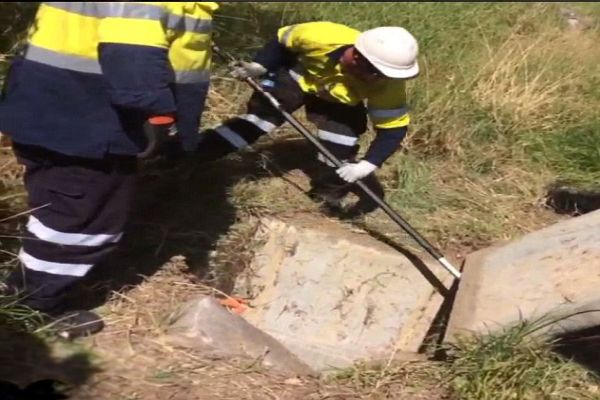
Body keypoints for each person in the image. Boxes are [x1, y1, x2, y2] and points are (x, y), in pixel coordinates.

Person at [0, 2, 219, 338]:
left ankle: (27, 284)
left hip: (60, 108)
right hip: (89, 117)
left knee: (59, 204)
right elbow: (132, 50)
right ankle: (37, 305)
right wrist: (158, 113)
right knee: (82, 217)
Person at [197, 21, 419, 214]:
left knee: (340, 146)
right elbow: (281, 41)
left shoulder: (388, 86)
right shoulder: (321, 35)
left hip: (338, 100)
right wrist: (260, 65)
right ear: (357, 56)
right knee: (258, 122)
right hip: (298, 78)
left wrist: (368, 165)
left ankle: (325, 195)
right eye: (376, 73)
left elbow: (393, 129)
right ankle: (195, 153)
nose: (380, 80)